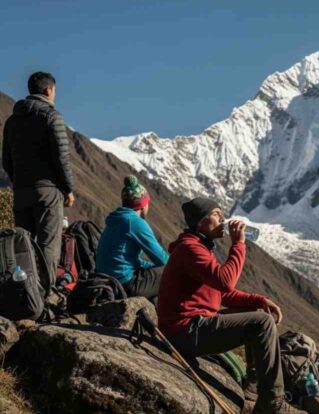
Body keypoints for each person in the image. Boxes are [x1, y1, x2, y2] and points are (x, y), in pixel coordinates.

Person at [157, 197, 304, 414]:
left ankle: (253, 391)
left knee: (256, 313)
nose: (223, 219)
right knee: (261, 323)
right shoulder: (190, 249)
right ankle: (273, 403)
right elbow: (226, 281)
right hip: (185, 331)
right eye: (216, 214)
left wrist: (258, 300)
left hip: (192, 327)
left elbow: (221, 293)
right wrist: (238, 244)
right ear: (201, 222)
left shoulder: (199, 248)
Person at [2, 72, 75, 279]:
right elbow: (62, 157)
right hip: (48, 192)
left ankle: (25, 296)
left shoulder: (12, 121)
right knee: (48, 246)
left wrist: (20, 182)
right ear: (48, 90)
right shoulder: (51, 116)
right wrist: (68, 189)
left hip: (21, 192)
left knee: (23, 248)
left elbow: (6, 160)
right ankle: (46, 296)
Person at [95, 175, 168, 302]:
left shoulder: (117, 219)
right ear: (142, 205)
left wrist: (149, 267)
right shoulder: (134, 222)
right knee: (171, 271)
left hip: (108, 282)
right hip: (125, 284)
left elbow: (127, 259)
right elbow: (162, 259)